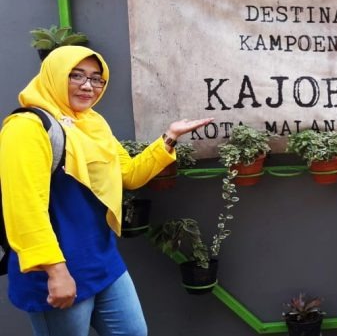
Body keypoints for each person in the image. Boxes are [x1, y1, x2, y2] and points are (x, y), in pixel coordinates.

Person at [0, 46, 213, 336]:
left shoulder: (93, 123)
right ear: (54, 75)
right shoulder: (27, 127)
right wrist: (55, 270)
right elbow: (23, 207)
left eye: (96, 78)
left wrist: (170, 137)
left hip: (101, 258)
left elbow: (129, 175)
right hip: (55, 267)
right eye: (76, 75)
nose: (88, 86)